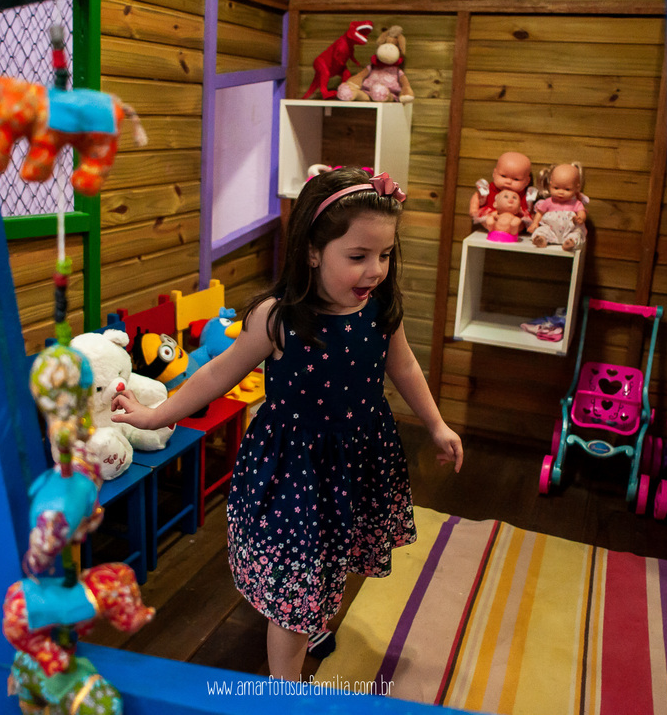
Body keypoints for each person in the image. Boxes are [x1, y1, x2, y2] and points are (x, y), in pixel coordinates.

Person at [111, 167, 464, 681]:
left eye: (385, 255)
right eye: (358, 257)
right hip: (294, 471)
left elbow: (404, 365)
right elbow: (217, 373)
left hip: (356, 459)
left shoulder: (380, 308)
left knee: (330, 558)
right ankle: (284, 690)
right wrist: (155, 414)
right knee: (295, 588)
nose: (375, 271)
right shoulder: (278, 318)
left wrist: (436, 424)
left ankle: (313, 616)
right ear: (313, 252)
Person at [469, 151, 535, 232]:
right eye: (503, 176)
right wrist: (473, 209)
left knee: (520, 223)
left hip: (514, 218)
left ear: (527, 181)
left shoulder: (526, 195)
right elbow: (477, 196)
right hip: (492, 215)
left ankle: (513, 229)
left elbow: (531, 209)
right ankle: (492, 226)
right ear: (494, 174)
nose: (508, 182)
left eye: (516, 179)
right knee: (487, 219)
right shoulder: (487, 189)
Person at [529, 162, 588, 250]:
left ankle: (570, 242)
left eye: (567, 189)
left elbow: (581, 212)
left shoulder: (576, 203)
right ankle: (541, 239)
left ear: (577, 188)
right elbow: (540, 213)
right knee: (542, 230)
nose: (561, 192)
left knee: (577, 233)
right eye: (556, 188)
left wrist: (581, 218)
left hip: (569, 230)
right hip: (551, 230)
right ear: (550, 185)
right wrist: (535, 223)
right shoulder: (548, 202)